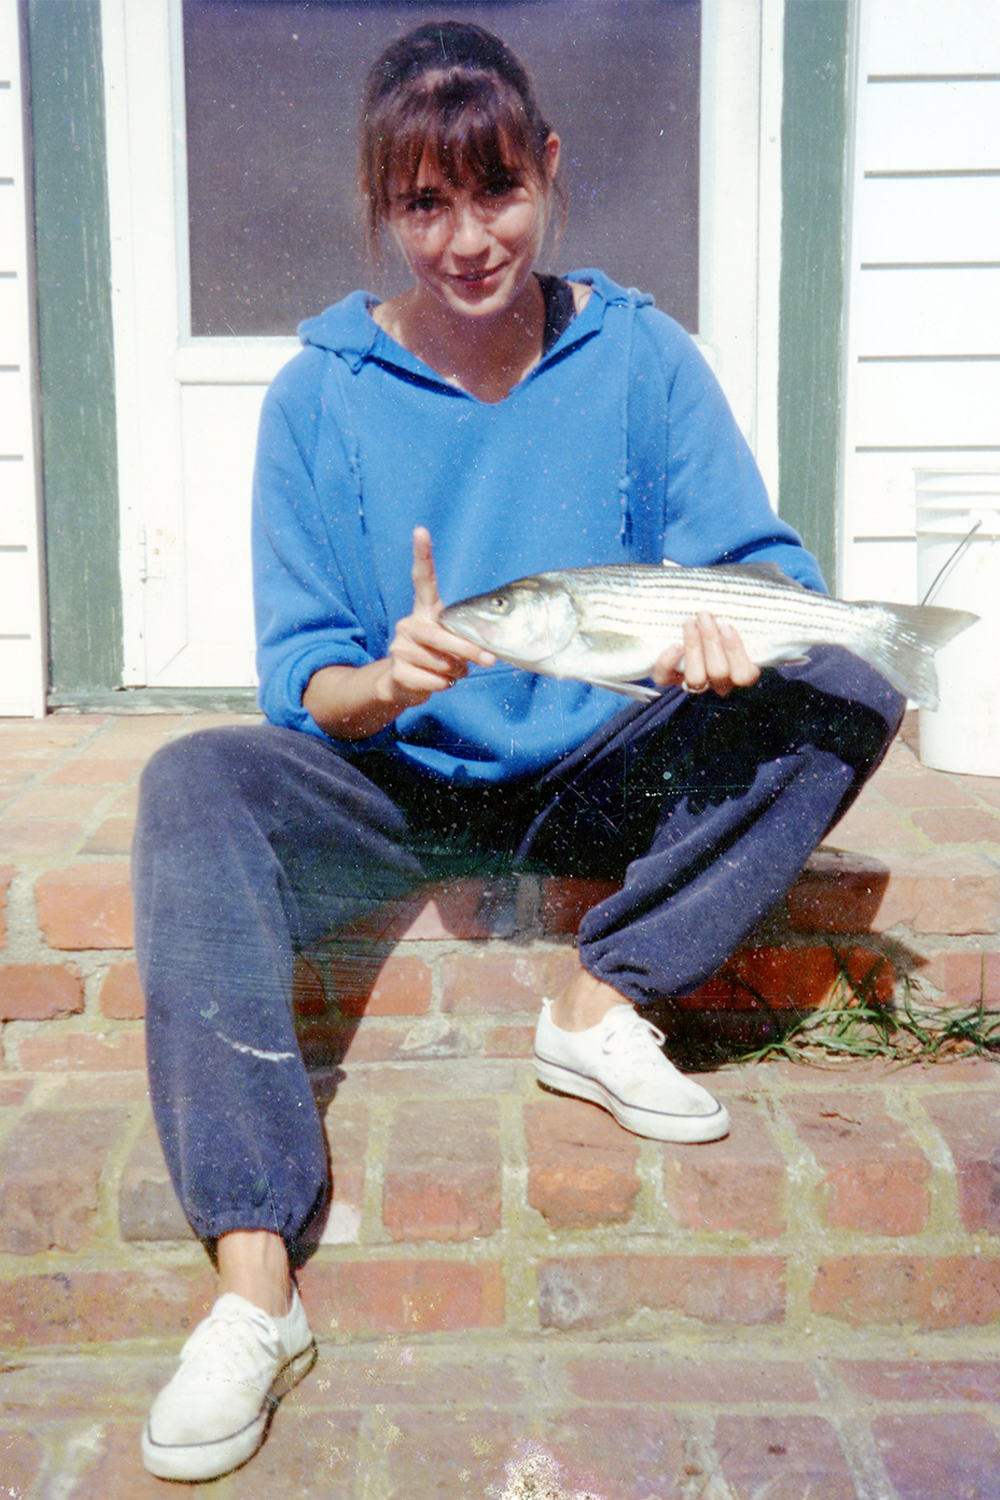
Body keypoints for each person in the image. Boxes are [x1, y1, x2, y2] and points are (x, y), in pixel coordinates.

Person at [133, 20, 904, 1482]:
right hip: (396, 777)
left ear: (548, 173)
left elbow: (759, 561)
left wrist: (737, 631)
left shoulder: (642, 356)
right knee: (194, 781)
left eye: (495, 192)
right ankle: (252, 1290)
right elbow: (301, 679)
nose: (467, 238)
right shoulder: (320, 394)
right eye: (425, 204)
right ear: (383, 208)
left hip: (602, 769)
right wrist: (383, 679)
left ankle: (602, 998)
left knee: (847, 680)